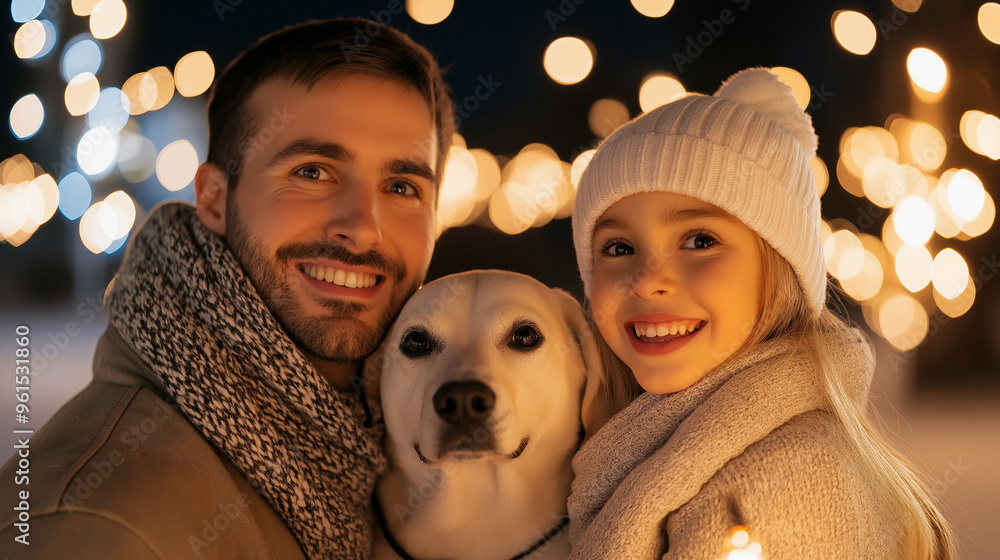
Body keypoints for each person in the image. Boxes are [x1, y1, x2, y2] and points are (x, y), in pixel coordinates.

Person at [0, 18, 453, 559]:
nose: (363, 227)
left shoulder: (403, 469)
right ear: (214, 198)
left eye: (402, 186)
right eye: (313, 172)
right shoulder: (91, 525)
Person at [567, 68, 954, 559]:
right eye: (618, 247)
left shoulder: (768, 494)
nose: (646, 279)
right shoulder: (644, 453)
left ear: (780, 269)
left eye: (700, 240)